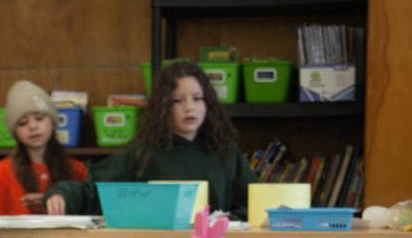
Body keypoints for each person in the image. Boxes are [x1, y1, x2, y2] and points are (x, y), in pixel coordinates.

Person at [45, 61, 257, 220]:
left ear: (208, 102)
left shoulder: (225, 152)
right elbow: (95, 189)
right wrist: (62, 195)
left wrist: (225, 222)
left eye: (197, 98)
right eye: (177, 100)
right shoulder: (144, 153)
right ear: (163, 107)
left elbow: (253, 203)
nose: (189, 107)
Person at [0, 80, 89, 238]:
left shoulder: (76, 169)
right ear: (14, 131)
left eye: (40, 118)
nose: (33, 126)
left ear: (53, 122)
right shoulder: (1, 171)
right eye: (23, 123)